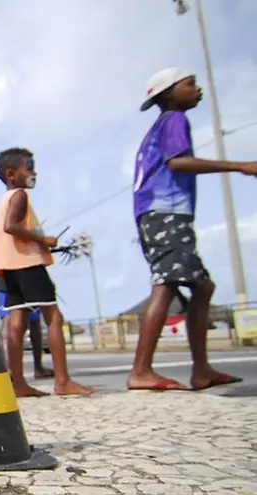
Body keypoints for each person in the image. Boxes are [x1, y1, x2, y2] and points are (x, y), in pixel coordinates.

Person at [127, 68, 254, 391]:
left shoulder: (161, 125)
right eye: (190, 84)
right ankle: (141, 371)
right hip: (165, 214)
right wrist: (239, 166)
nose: (198, 90)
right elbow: (178, 163)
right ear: (169, 93)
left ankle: (202, 369)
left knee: (203, 286)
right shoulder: (173, 121)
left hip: (160, 215)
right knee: (167, 282)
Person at [0, 148, 94, 398]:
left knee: (16, 324)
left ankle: (18, 383)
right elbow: (12, 227)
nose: (34, 172)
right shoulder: (20, 196)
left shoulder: (3, 200)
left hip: (9, 267)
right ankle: (63, 381)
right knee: (54, 317)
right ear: (12, 174)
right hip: (27, 263)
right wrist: (43, 240)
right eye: (29, 167)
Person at [0, 223, 53, 380]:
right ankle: (10, 370)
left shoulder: (25, 224)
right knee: (9, 324)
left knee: (34, 323)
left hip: (25, 276)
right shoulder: (0, 225)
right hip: (8, 279)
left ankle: (37, 367)